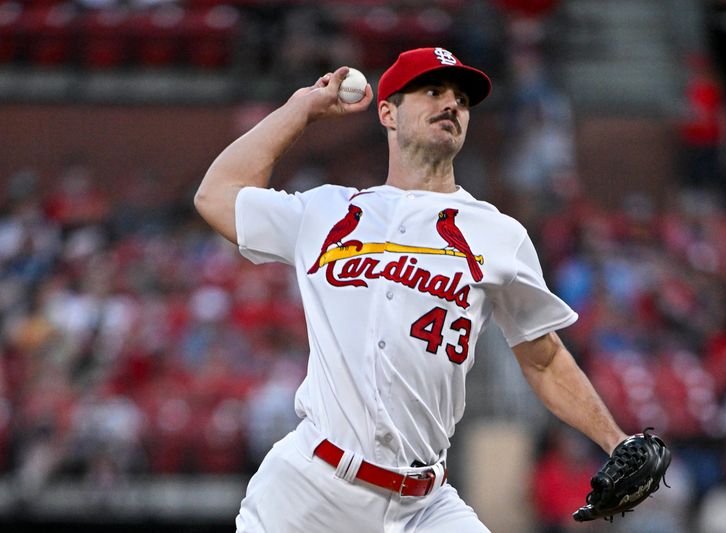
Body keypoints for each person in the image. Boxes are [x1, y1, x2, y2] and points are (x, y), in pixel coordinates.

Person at [194, 47, 628, 532]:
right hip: (311, 491)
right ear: (387, 112)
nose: (452, 105)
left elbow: (544, 357)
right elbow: (216, 195)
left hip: (425, 504)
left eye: (462, 99)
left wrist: (616, 441)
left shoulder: (498, 234)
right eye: (432, 91)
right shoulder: (325, 212)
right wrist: (301, 110)